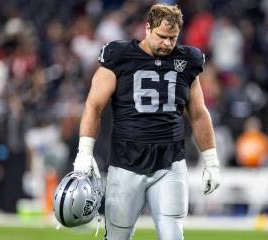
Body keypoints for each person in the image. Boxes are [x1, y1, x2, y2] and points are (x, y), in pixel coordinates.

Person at [73, 4, 221, 240]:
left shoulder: (187, 60)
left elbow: (199, 113)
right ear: (147, 28)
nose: (167, 44)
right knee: (117, 237)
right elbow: (94, 105)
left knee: (173, 235)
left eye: (172, 38)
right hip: (126, 162)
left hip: (170, 162)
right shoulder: (119, 56)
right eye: (162, 36)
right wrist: (84, 150)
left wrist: (211, 161)